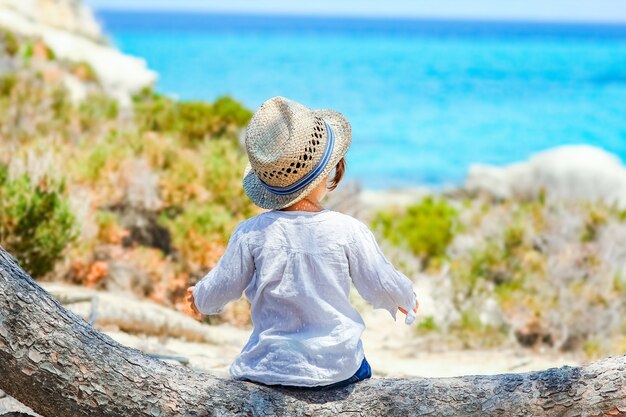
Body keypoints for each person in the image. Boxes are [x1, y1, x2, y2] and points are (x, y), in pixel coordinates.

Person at [186, 96, 418, 389]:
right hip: (337, 369)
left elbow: (222, 286)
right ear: (326, 174)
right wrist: (406, 299)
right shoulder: (348, 230)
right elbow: (381, 281)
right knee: (360, 366)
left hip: (270, 368)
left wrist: (198, 298)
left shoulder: (250, 233)